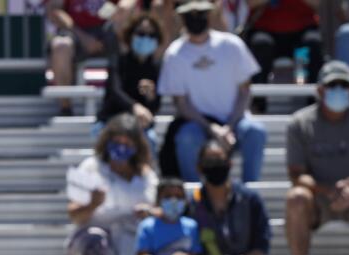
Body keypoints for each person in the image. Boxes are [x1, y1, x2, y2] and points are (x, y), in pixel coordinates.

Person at [157, 0, 266, 184]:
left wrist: (229, 126)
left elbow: (245, 90)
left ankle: (250, 189)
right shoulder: (175, 54)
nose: (196, 19)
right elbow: (181, 103)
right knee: (186, 138)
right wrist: (211, 128)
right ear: (182, 19)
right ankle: (193, 194)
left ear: (209, 16)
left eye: (201, 14)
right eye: (190, 16)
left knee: (256, 132)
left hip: (235, 120)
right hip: (198, 123)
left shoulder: (232, 45)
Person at [284, 61, 349, 255]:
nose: (338, 90)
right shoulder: (299, 123)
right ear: (320, 90)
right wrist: (329, 191)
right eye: (331, 86)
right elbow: (296, 174)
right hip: (319, 199)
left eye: (344, 85)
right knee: (296, 197)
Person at [65, 113, 158, 255]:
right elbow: (74, 214)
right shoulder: (90, 167)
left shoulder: (147, 175)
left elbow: (157, 210)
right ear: (107, 141)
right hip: (93, 237)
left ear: (136, 146)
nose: (121, 148)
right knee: (97, 244)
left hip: (131, 238)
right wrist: (92, 204)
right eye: (117, 141)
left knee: (149, 248)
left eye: (127, 143)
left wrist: (148, 213)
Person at [98, 13, 163, 150]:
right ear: (130, 35)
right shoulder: (118, 61)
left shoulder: (156, 68)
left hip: (140, 128)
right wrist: (135, 107)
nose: (145, 38)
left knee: (149, 142)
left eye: (151, 35)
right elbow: (115, 92)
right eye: (141, 33)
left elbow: (154, 108)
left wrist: (151, 97)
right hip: (110, 122)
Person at [48, 0, 111, 117]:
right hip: (74, 30)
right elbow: (54, 10)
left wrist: (116, 16)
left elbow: (126, 6)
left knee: (132, 37)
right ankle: (65, 108)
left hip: (109, 28)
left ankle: (133, 103)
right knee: (61, 46)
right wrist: (82, 36)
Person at [244, 0, 322, 88]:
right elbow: (251, 3)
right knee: (261, 44)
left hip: (301, 31)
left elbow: (316, 3)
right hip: (265, 29)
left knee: (313, 43)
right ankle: (258, 100)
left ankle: (314, 98)